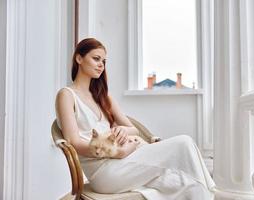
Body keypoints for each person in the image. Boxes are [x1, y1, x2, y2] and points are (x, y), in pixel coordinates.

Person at [55, 38, 216, 200]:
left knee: (187, 183)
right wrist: (116, 153)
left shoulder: (103, 97)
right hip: (103, 173)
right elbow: (73, 142)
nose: (101, 65)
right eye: (96, 59)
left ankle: (208, 194)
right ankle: (212, 191)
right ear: (79, 58)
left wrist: (123, 130)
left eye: (104, 61)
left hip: (125, 162)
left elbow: (134, 130)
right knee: (184, 143)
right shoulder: (67, 95)